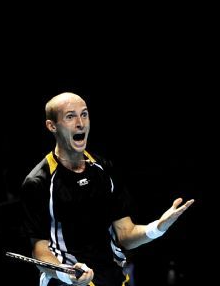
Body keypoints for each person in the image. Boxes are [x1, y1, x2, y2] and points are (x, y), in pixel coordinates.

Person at [19, 92, 194, 286]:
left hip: (111, 276)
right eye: (70, 116)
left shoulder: (104, 169)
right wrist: (66, 273)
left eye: (84, 114)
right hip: (66, 280)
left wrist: (158, 228)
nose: (80, 123)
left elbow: (125, 235)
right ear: (52, 126)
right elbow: (40, 251)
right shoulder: (38, 182)